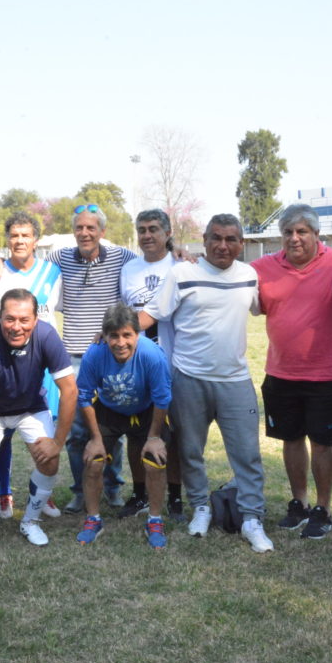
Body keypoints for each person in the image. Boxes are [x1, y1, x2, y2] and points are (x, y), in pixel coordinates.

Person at [141, 214, 273, 552]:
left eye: (231, 239)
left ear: (241, 244)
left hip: (235, 379)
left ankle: (252, 518)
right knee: (189, 451)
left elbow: (265, 308)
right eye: (216, 238)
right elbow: (151, 314)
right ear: (204, 238)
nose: (223, 245)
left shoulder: (249, 275)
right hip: (188, 378)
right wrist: (114, 329)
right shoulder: (182, 274)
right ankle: (200, 507)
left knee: (247, 455)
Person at [0, 289, 77, 548]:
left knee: (49, 460)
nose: (16, 327)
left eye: (24, 320)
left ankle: (30, 521)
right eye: (9, 319)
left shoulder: (47, 335)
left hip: (30, 407)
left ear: (35, 320)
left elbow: (70, 390)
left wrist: (57, 442)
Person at [252, 204, 332, 541]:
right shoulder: (262, 268)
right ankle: (299, 502)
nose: (295, 238)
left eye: (302, 231)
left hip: (326, 373)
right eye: (288, 232)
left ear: (317, 235)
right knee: (291, 440)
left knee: (322, 443)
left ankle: (323, 507)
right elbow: (225, 275)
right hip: (281, 373)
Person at [43, 205, 137, 514]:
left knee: (111, 427)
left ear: (102, 232)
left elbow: (156, 264)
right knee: (76, 432)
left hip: (110, 356)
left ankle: (112, 488)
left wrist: (179, 252)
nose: (85, 233)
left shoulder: (122, 257)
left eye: (91, 228)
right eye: (80, 227)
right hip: (72, 358)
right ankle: (81, 490)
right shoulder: (60, 257)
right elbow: (30, 265)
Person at [0, 211, 63, 520]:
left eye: (25, 235)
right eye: (14, 235)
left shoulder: (53, 272)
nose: (19, 241)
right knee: (3, 434)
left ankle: (43, 493)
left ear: (36, 240)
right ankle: (4, 494)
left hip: (44, 367)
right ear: (7, 239)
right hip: (6, 365)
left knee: (45, 433)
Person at [75, 303, 173, 548]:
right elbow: (84, 396)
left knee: (155, 460)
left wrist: (154, 437)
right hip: (109, 409)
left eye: (127, 335)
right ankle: (93, 518)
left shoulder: (152, 354)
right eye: (114, 336)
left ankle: (154, 519)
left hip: (147, 408)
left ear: (137, 334)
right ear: (105, 336)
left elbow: (162, 398)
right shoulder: (94, 354)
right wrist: (96, 439)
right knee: (94, 461)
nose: (121, 343)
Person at [118, 208, 183, 522]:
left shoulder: (182, 265)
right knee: (136, 432)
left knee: (173, 433)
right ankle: (140, 492)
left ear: (168, 233)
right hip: (136, 363)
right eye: (142, 229)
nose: (147, 235)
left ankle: (176, 495)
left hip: (175, 360)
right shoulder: (129, 268)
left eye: (154, 229)